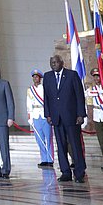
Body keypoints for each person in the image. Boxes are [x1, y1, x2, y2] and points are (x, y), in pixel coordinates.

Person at [43, 54, 87, 183]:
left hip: (72, 116)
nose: (53, 65)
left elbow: (79, 96)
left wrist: (80, 114)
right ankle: (65, 172)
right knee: (61, 146)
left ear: (61, 62)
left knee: (75, 145)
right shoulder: (47, 76)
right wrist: (48, 114)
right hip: (56, 117)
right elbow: (47, 97)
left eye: (56, 62)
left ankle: (79, 173)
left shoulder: (72, 75)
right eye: (51, 63)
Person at [26, 68, 53, 168]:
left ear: (40, 78)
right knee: (39, 139)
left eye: (37, 77)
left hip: (45, 115)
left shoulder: (45, 88)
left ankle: (50, 158)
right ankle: (44, 159)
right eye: (34, 77)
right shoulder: (30, 90)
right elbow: (29, 103)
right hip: (36, 115)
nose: (35, 79)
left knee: (48, 137)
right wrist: (30, 116)